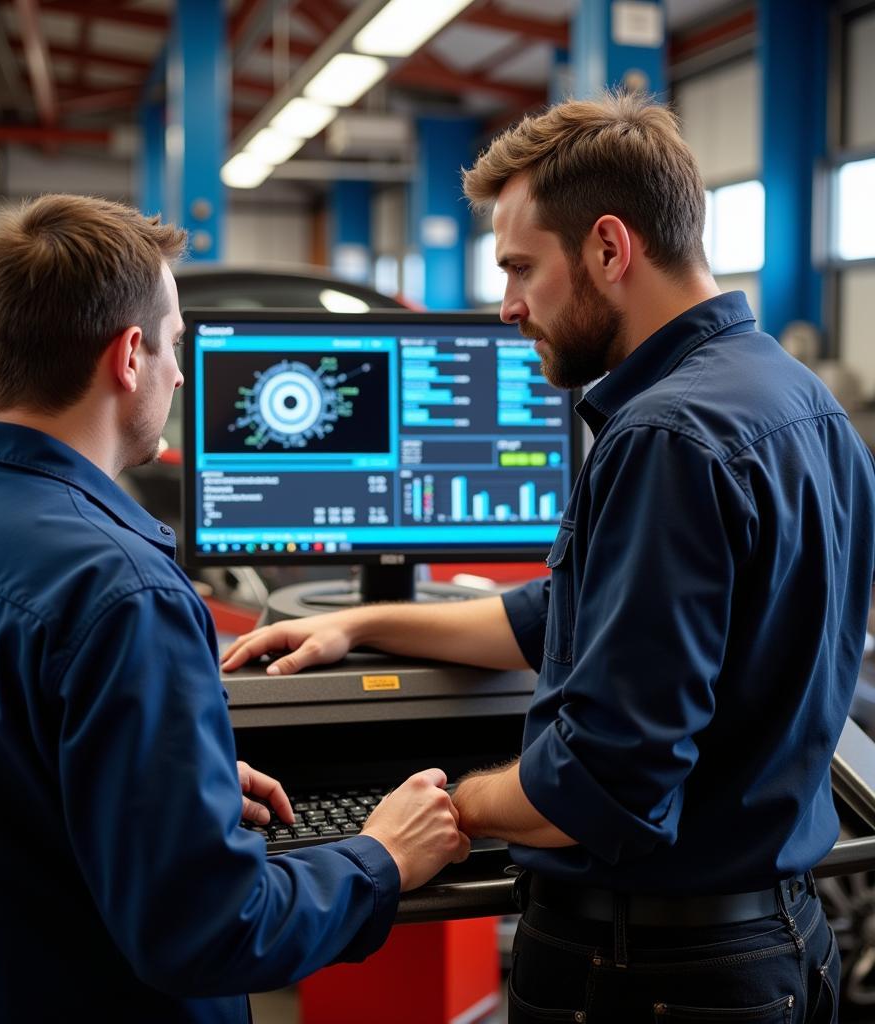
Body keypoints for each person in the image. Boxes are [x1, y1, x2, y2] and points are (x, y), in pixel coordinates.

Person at [222, 92, 875, 1020]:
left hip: (649, 973)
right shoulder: (800, 397)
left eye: (522, 267)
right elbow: (566, 614)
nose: (507, 307)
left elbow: (605, 783)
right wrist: (359, 623)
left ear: (610, 249)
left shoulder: (666, 436)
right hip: (776, 942)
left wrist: (438, 810)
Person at [0, 194, 469, 1024]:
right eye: (176, 343)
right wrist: (380, 857)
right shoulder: (124, 589)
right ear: (130, 355)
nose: (182, 373)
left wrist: (155, 786)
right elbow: (211, 929)